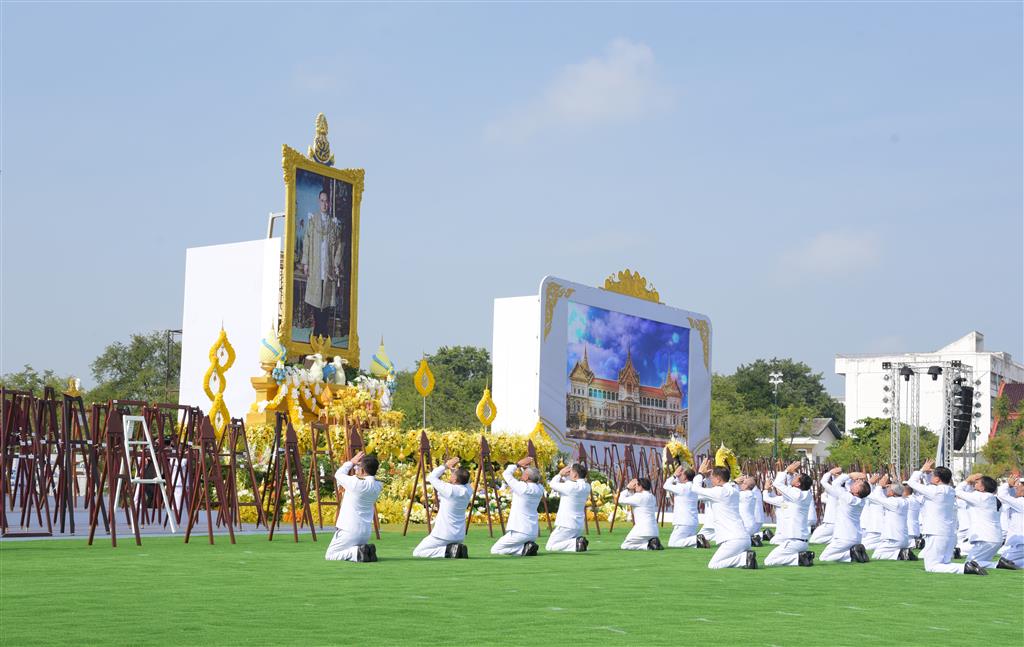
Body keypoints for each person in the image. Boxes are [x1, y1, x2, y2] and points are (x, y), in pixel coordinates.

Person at [906, 459, 986, 575]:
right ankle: (968, 566)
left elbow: (911, 482)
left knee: (932, 566)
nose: (931, 477)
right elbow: (929, 486)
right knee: (944, 563)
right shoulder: (950, 490)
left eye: (933, 475)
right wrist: (927, 475)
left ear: (937, 479)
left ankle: (965, 568)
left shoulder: (935, 491)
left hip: (936, 532)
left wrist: (922, 470)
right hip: (948, 533)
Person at [691, 458, 757, 569]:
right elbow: (702, 495)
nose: (711, 480)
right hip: (744, 538)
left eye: (712, 477)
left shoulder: (719, 492)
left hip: (732, 539)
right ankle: (744, 557)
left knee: (713, 565)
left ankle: (743, 559)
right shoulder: (734, 490)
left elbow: (695, 488)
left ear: (718, 478)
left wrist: (700, 474)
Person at [300, 189, 344, 339]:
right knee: (316, 298)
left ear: (329, 203)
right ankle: (318, 331)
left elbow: (339, 246)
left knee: (325, 299)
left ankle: (322, 331)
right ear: (319, 202)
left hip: (328, 267)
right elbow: (306, 241)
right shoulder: (313, 221)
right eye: (322, 201)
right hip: (315, 265)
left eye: (327, 201)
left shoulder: (333, 223)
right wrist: (305, 262)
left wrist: (336, 264)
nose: (324, 204)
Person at [325, 452, 382, 562]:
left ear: (362, 471)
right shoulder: (378, 485)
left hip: (348, 530)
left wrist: (351, 462)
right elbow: (376, 477)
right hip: (365, 533)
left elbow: (338, 474)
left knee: (330, 555)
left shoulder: (355, 482)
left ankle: (356, 552)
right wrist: (362, 468)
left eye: (358, 467)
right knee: (344, 550)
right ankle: (365, 550)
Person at [412, 457, 472, 559]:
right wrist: (454, 470)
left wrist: (445, 466)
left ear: (455, 479)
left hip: (443, 534)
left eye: (453, 475)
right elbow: (465, 479)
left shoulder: (449, 489)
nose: (451, 475)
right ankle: (454, 548)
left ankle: (448, 551)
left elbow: (432, 477)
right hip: (459, 536)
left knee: (418, 552)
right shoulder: (468, 490)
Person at [763, 461, 815, 567]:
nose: (795, 475)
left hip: (794, 541)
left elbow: (778, 484)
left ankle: (800, 558)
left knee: (768, 561)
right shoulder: (799, 496)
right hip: (801, 541)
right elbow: (767, 499)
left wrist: (787, 470)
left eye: (797, 476)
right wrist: (766, 490)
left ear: (798, 484)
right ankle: (802, 557)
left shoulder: (797, 495)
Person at [490, 457, 544, 557]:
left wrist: (518, 464)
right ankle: (526, 547)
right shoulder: (540, 489)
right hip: (532, 532)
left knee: (495, 549)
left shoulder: (522, 487)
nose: (521, 474)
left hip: (519, 531)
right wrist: (525, 468)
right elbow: (533, 478)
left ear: (527, 477)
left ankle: (522, 549)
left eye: (523, 474)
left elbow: (506, 474)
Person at [955, 473, 1009, 570]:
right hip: (995, 538)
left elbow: (957, 491)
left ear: (983, 488)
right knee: (978, 564)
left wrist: (967, 481)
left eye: (977, 482)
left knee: (970, 564)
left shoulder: (980, 497)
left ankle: (997, 564)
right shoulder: (994, 499)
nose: (974, 483)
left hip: (985, 538)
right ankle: (997, 564)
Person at [818, 467, 870, 563]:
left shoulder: (848, 497)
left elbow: (827, 483)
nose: (855, 482)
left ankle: (851, 555)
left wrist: (847, 475)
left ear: (857, 491)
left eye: (858, 484)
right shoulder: (861, 500)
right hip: (856, 538)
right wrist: (850, 478)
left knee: (824, 558)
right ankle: (855, 553)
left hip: (844, 537)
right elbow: (845, 488)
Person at [546, 463, 592, 552]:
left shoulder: (570, 486)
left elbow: (552, 484)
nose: (568, 474)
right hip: (578, 525)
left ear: (575, 475)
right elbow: (572, 483)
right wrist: (564, 477)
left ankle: (576, 543)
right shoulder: (587, 486)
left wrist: (560, 474)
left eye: (570, 472)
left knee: (550, 546)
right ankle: (578, 543)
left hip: (566, 524)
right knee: (564, 543)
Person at [867, 475, 914, 561]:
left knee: (877, 555)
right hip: (902, 538)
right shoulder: (904, 501)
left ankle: (900, 554)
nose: (887, 489)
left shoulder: (893, 502)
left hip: (893, 539)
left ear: (892, 492)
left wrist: (878, 486)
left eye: (889, 488)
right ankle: (902, 552)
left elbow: (873, 498)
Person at [618, 477, 662, 550]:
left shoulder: (638, 496)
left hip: (642, 530)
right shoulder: (652, 497)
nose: (635, 488)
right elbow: (632, 499)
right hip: (654, 531)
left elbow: (621, 500)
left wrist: (628, 488)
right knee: (638, 541)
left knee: (625, 545)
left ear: (641, 486)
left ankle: (648, 546)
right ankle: (652, 543)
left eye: (636, 485)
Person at [664, 466, 703, 548]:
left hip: (683, 522)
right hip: (693, 522)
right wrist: (678, 476)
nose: (679, 475)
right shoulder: (693, 487)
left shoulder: (682, 487)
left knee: (673, 544)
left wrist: (674, 475)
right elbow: (678, 482)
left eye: (681, 474)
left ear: (685, 477)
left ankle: (696, 539)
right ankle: (696, 541)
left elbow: (666, 485)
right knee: (688, 545)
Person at [996, 474, 1023, 568]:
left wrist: (1008, 484)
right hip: (1019, 543)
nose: (1016, 487)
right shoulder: (1019, 502)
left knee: (1003, 563)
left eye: (1019, 485)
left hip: (1021, 544)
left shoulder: (1021, 502)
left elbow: (1002, 495)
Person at [860, 474, 885, 551]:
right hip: (869, 525)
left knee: (861, 546)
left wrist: (871, 483)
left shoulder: (881, 495)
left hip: (875, 527)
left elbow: (867, 495)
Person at [738, 476, 763, 546]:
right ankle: (754, 538)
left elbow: (729, 494)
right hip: (751, 524)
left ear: (746, 486)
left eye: (743, 483)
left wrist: (734, 483)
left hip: (745, 525)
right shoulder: (751, 494)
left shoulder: (744, 494)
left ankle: (761, 535)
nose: (741, 484)